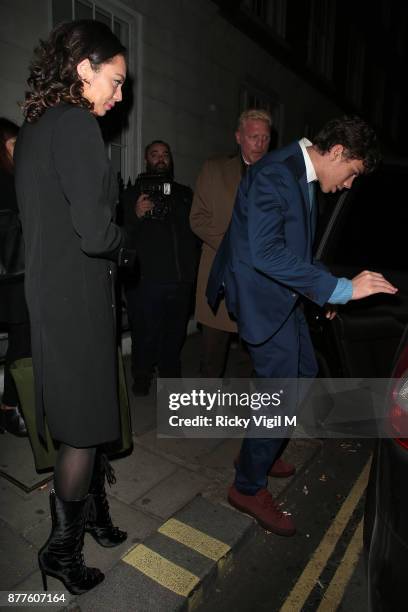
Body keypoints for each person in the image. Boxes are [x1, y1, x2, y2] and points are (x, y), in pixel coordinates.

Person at [207, 116, 398, 536]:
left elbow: (297, 248)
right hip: (262, 298)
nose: (349, 184)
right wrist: (341, 288)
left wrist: (322, 292)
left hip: (287, 296)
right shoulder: (276, 173)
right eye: (351, 174)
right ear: (336, 153)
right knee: (280, 392)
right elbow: (267, 252)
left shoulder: (301, 170)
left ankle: (259, 451)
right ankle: (246, 486)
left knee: (304, 375)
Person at [14, 20, 135, 594]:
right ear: (84, 68)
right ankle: (61, 551)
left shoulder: (35, 127)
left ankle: (94, 517)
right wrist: (124, 244)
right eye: (114, 81)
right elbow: (93, 232)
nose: (118, 97)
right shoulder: (78, 127)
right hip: (79, 298)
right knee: (83, 428)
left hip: (47, 293)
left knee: (82, 413)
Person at [190, 109, 271, 378]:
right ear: (238, 137)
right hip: (218, 278)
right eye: (253, 137)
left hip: (259, 285)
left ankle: (245, 414)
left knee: (253, 363)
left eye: (265, 138)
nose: (259, 144)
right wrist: (233, 245)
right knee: (211, 361)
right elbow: (197, 219)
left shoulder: (277, 176)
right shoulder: (214, 170)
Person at [121, 140, 199, 395]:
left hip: (180, 278)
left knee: (174, 333)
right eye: (155, 154)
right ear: (146, 159)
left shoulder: (184, 193)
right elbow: (119, 234)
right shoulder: (132, 193)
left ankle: (170, 375)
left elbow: (195, 232)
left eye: (165, 154)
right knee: (144, 332)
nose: (161, 158)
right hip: (147, 279)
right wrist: (136, 214)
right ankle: (142, 374)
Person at [0, 118, 30, 437]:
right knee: (22, 344)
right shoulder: (9, 182)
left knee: (21, 344)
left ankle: (9, 407)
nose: (19, 148)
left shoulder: (15, 177)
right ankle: (10, 408)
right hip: (14, 280)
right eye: (12, 144)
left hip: (15, 279)